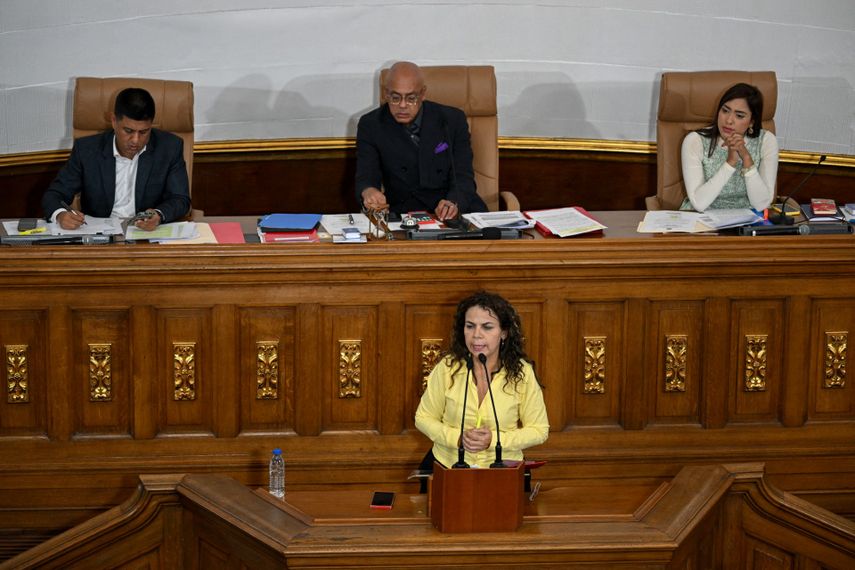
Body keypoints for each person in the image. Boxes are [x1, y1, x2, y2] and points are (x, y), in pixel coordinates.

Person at [415, 291, 549, 470]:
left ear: (503, 333)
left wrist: (493, 440)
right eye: (470, 326)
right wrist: (457, 438)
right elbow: (423, 418)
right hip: (447, 466)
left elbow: (539, 430)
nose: (476, 335)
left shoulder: (522, 373)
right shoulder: (447, 368)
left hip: (502, 470)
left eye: (487, 327)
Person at [42, 87, 191, 230]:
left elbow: (180, 199)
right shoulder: (87, 150)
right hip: (101, 238)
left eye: (144, 132)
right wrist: (60, 215)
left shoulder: (169, 147)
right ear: (114, 121)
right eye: (128, 131)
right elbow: (55, 194)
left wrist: (158, 214)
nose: (135, 140)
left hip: (146, 235)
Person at [355, 61, 487, 220]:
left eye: (411, 98)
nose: (402, 105)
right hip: (404, 211)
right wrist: (368, 191)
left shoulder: (452, 120)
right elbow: (366, 175)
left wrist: (453, 202)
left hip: (451, 208)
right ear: (386, 94)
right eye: (395, 97)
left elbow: (463, 176)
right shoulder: (371, 124)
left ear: (423, 94)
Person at [680, 82, 779, 212]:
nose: (729, 120)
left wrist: (746, 159)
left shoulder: (766, 141)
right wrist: (730, 162)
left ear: (752, 121)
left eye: (739, 115)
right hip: (702, 220)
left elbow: (762, 204)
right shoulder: (695, 141)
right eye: (725, 111)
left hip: (747, 222)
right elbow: (699, 203)